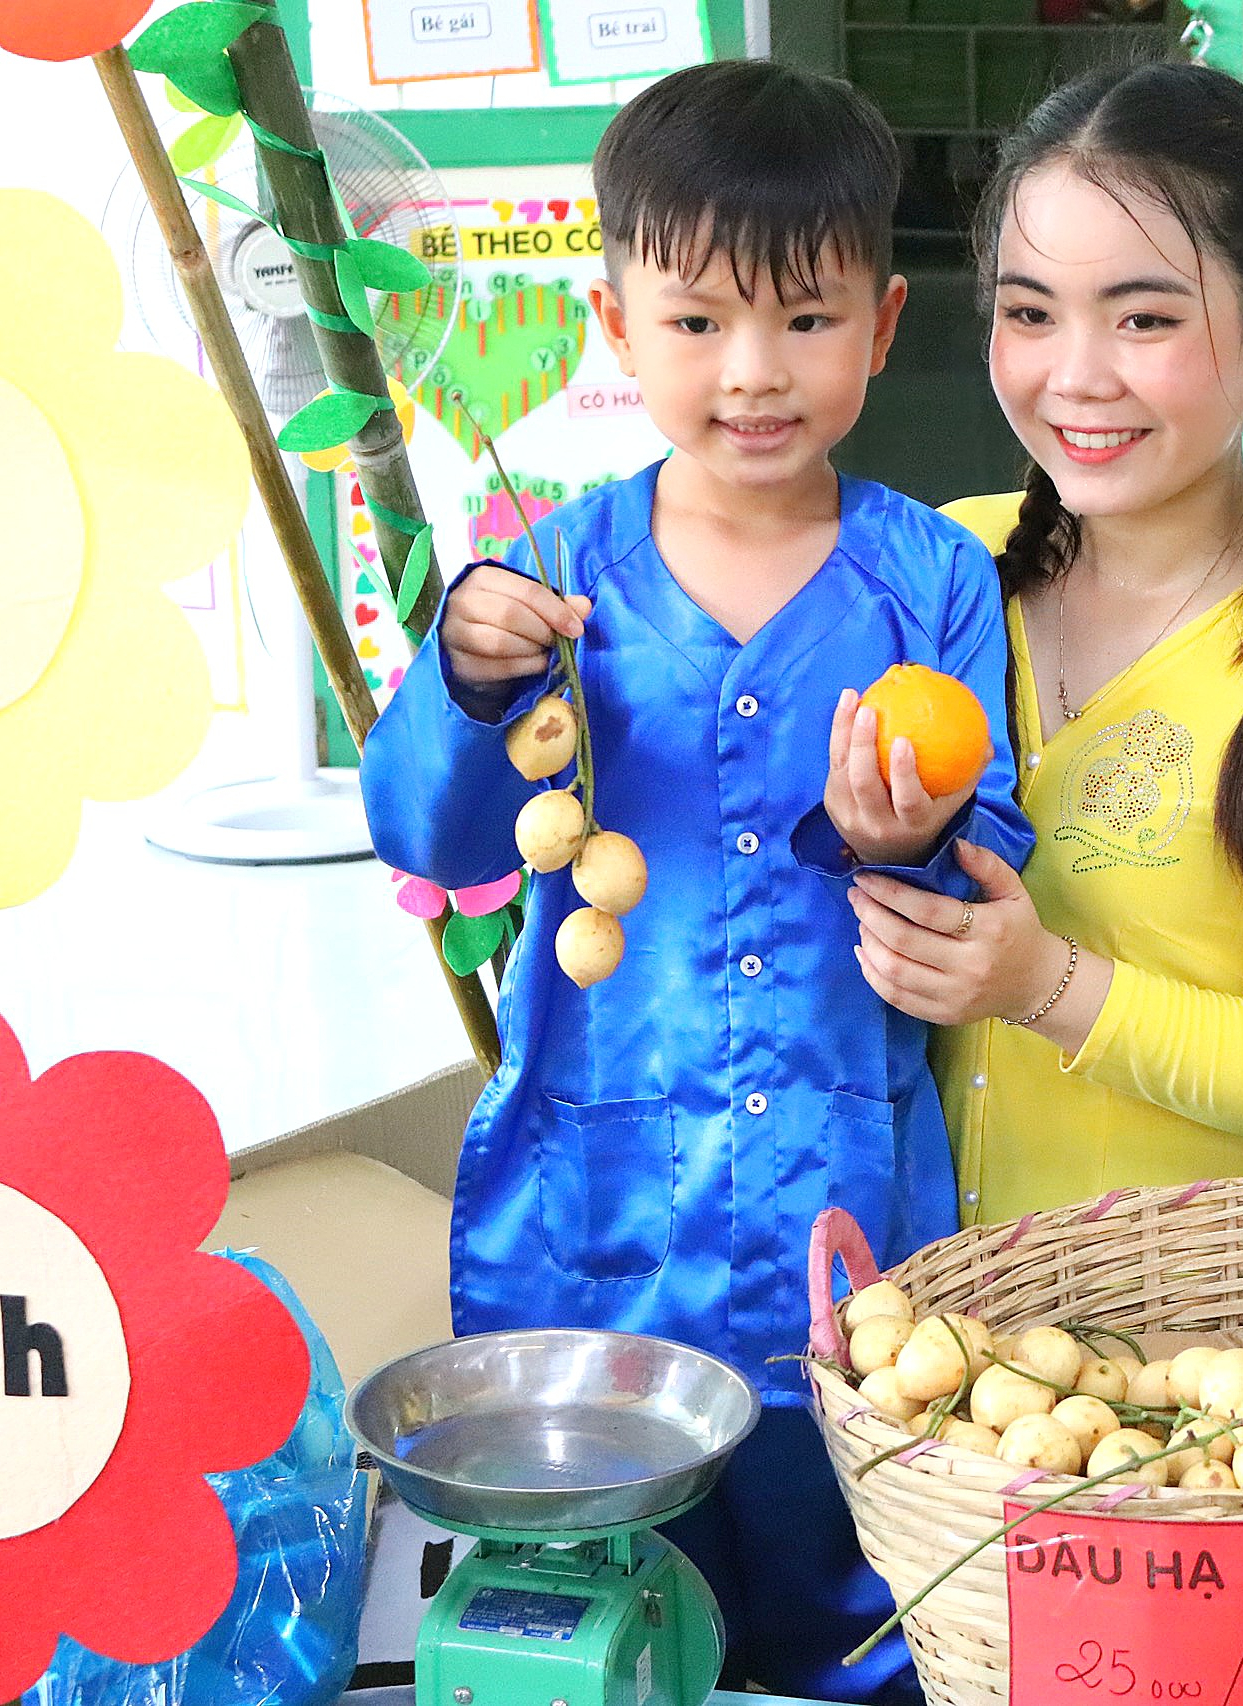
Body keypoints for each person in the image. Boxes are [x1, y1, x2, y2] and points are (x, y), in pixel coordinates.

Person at [359, 60, 1029, 1704]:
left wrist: (902, 838)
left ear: (879, 326)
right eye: (699, 322)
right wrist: (462, 675)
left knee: (857, 1611)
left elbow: (993, 834)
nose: (752, 373)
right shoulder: (546, 581)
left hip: (843, 1201)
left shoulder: (928, 574)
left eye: (804, 322)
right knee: (594, 1618)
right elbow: (431, 843)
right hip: (594, 1210)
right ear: (615, 321)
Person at [844, 61, 1243, 1223]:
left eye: (1143, 318)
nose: (1074, 376)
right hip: (896, 1327)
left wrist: (1046, 984)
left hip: (1184, 1360)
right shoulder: (931, 573)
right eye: (1029, 312)